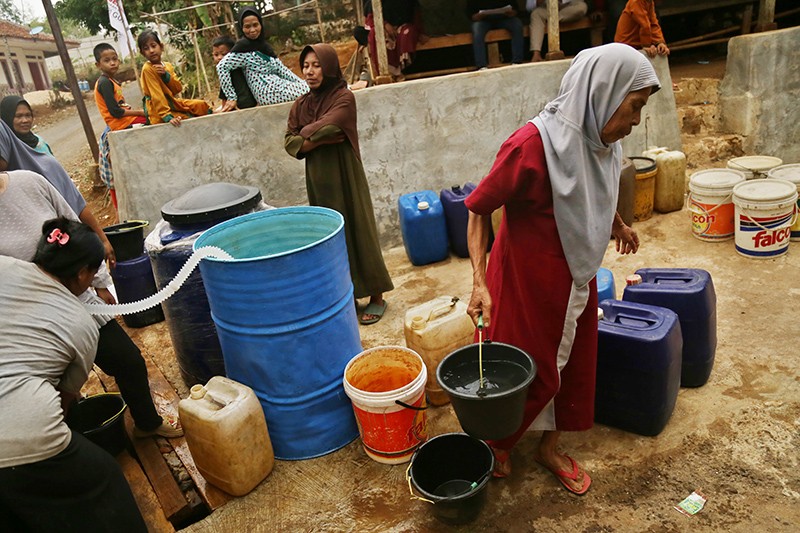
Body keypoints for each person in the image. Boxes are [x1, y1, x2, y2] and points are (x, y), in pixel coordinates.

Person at [465, 43, 659, 495]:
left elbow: (595, 189)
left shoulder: (604, 141)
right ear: (604, 93)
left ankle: (549, 448)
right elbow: (477, 209)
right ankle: (500, 443)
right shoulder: (531, 146)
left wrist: (616, 224)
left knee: (572, 366)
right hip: (527, 283)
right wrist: (478, 282)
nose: (635, 120)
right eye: (634, 106)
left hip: (578, 274)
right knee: (525, 369)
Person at [0, 169, 183, 440]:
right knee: (55, 390)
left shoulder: (29, 182)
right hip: (30, 319)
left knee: (128, 360)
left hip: (79, 297)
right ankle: (68, 442)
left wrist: (99, 282)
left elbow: (76, 229)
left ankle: (147, 423)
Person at [0, 216, 147, 532]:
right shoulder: (82, 324)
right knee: (104, 480)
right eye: (94, 273)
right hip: (21, 435)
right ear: (82, 274)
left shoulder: (4, 266)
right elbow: (65, 400)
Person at [285, 44, 393, 325]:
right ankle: (348, 295)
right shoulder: (301, 105)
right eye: (305, 66)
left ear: (330, 67)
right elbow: (289, 142)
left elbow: (333, 126)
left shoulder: (344, 97)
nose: (309, 71)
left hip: (346, 175)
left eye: (316, 65)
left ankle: (377, 296)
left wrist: (305, 135)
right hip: (318, 180)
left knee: (359, 230)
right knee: (332, 238)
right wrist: (313, 140)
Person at [0, 120, 117, 267]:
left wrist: (103, 241)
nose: (24, 120)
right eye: (18, 116)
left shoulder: (37, 176)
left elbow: (76, 207)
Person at [217, 7, 309, 110]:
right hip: (267, 92)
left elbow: (282, 70)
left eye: (255, 25)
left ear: (261, 24)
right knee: (310, 90)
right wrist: (231, 97)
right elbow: (221, 66)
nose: (252, 30)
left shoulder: (264, 47)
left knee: (311, 86)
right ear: (241, 28)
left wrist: (301, 82)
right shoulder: (242, 49)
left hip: (278, 85)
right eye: (247, 26)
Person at [92, 42, 147, 208]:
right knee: (152, 120)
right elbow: (115, 111)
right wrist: (140, 112)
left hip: (122, 122)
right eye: (107, 60)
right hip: (120, 123)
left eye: (114, 59)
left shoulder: (111, 81)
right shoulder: (104, 83)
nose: (112, 63)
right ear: (98, 65)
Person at [138, 30, 212, 127]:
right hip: (158, 109)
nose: (151, 50)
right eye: (146, 48)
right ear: (143, 53)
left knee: (201, 105)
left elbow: (177, 88)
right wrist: (167, 116)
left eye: (153, 46)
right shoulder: (147, 69)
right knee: (185, 119)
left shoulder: (167, 66)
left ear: (161, 47)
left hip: (172, 103)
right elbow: (156, 95)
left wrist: (165, 76)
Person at [364, 0, 424, 77]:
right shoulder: (374, 3)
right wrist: (385, 24)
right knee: (374, 33)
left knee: (408, 33)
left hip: (401, 27)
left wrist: (420, 32)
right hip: (382, 27)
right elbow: (371, 18)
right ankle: (385, 71)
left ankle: (402, 69)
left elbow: (414, 16)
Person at [466, 1, 525, 69]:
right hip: (483, 21)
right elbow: (471, 15)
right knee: (476, 28)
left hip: (505, 18)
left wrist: (511, 12)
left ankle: (517, 61)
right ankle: (481, 65)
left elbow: (515, 9)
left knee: (517, 24)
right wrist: (478, 16)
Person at [211, 34, 258, 110]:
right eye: (216, 55)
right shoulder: (234, 68)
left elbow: (225, 100)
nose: (219, 57)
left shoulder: (229, 71)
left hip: (241, 105)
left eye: (224, 54)